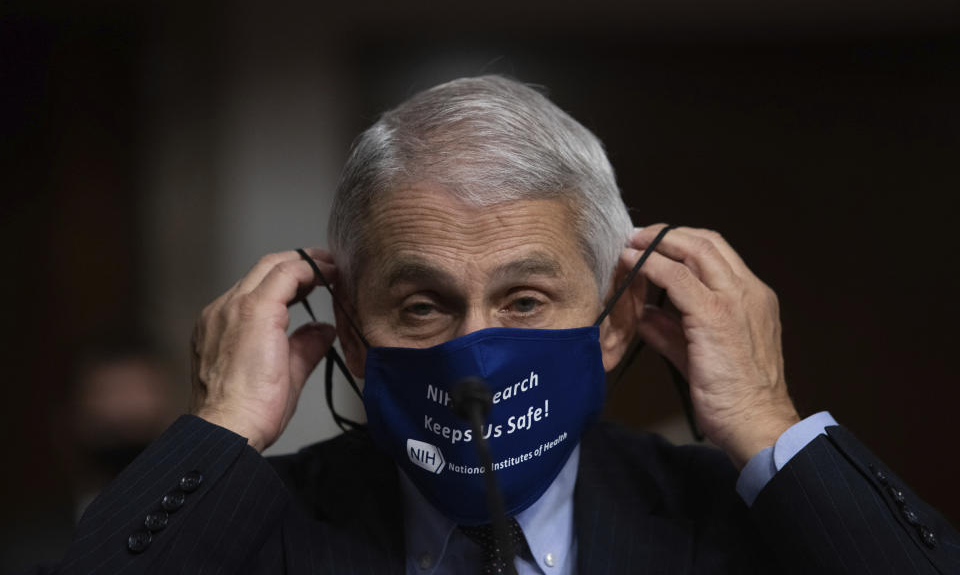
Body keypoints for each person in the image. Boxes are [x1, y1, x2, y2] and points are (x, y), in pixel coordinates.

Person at [34, 76, 959, 574]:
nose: (475, 347)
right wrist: (223, 427)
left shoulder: (728, 520)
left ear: (613, 322)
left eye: (524, 299)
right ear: (352, 337)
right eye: (423, 305)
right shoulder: (252, 524)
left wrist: (765, 417)